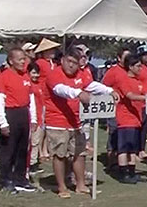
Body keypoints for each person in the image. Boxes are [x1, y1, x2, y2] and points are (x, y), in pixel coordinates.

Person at [45, 47, 116, 198]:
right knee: (60, 155)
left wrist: (109, 90)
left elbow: (91, 85)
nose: (71, 65)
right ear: (63, 60)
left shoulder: (81, 74)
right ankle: (62, 187)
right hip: (57, 121)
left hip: (76, 121)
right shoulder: (54, 74)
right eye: (69, 61)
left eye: (75, 63)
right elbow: (60, 89)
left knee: (80, 153)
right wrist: (78, 93)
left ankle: (80, 184)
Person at [0, 48, 38, 194]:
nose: (23, 62)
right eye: (19, 59)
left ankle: (20, 179)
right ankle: (6, 179)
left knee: (22, 149)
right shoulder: (4, 77)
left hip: (23, 113)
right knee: (8, 150)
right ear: (11, 61)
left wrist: (33, 118)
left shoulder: (25, 76)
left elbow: (31, 98)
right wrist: (3, 122)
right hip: (10, 113)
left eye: (24, 59)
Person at [113, 55, 147, 184]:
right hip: (125, 119)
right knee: (124, 147)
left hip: (136, 119)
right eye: (138, 66)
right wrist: (146, 98)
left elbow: (145, 93)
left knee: (133, 147)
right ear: (130, 67)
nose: (141, 68)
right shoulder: (123, 80)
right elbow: (129, 96)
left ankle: (132, 172)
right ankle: (123, 174)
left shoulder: (138, 81)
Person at [100, 47, 132, 168]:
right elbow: (103, 87)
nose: (128, 60)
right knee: (113, 132)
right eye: (126, 57)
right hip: (115, 108)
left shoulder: (130, 70)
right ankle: (111, 160)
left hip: (127, 110)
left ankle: (125, 159)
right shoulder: (113, 72)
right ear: (119, 58)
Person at [26, 61, 46, 175]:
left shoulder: (39, 85)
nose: (36, 75)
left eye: (37, 73)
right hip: (30, 117)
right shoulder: (28, 85)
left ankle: (33, 162)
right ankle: (28, 163)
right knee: (30, 142)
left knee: (36, 141)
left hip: (39, 117)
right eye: (33, 73)